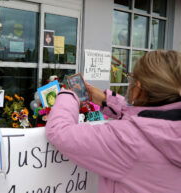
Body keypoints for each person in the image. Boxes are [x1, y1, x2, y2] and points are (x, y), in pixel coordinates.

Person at [45, 50, 181, 193]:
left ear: (138, 88)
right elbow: (148, 118)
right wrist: (107, 101)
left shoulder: (129, 139)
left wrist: (69, 93)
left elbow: (60, 132)